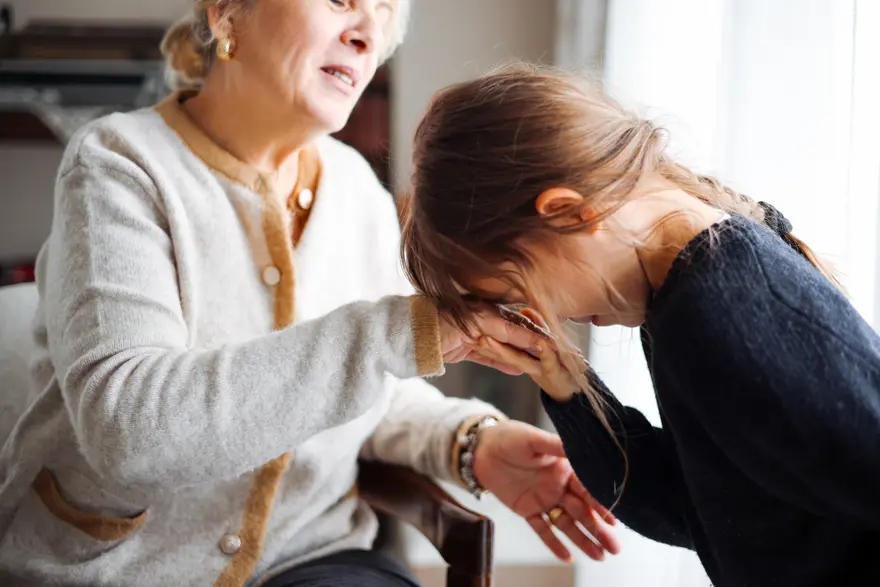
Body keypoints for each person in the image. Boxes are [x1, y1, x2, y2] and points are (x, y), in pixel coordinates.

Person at [0, 6, 621, 587]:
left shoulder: (357, 192)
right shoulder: (118, 164)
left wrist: (470, 442)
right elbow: (129, 436)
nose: (366, 34)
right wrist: (402, 332)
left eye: (383, 17)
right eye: (342, 3)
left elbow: (370, 390)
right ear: (226, 14)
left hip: (308, 557)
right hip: (124, 567)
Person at [400, 63, 880, 587]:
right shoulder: (680, 296)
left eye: (516, 293)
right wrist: (570, 391)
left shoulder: (722, 311)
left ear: (568, 214)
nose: (549, 316)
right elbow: (704, 512)